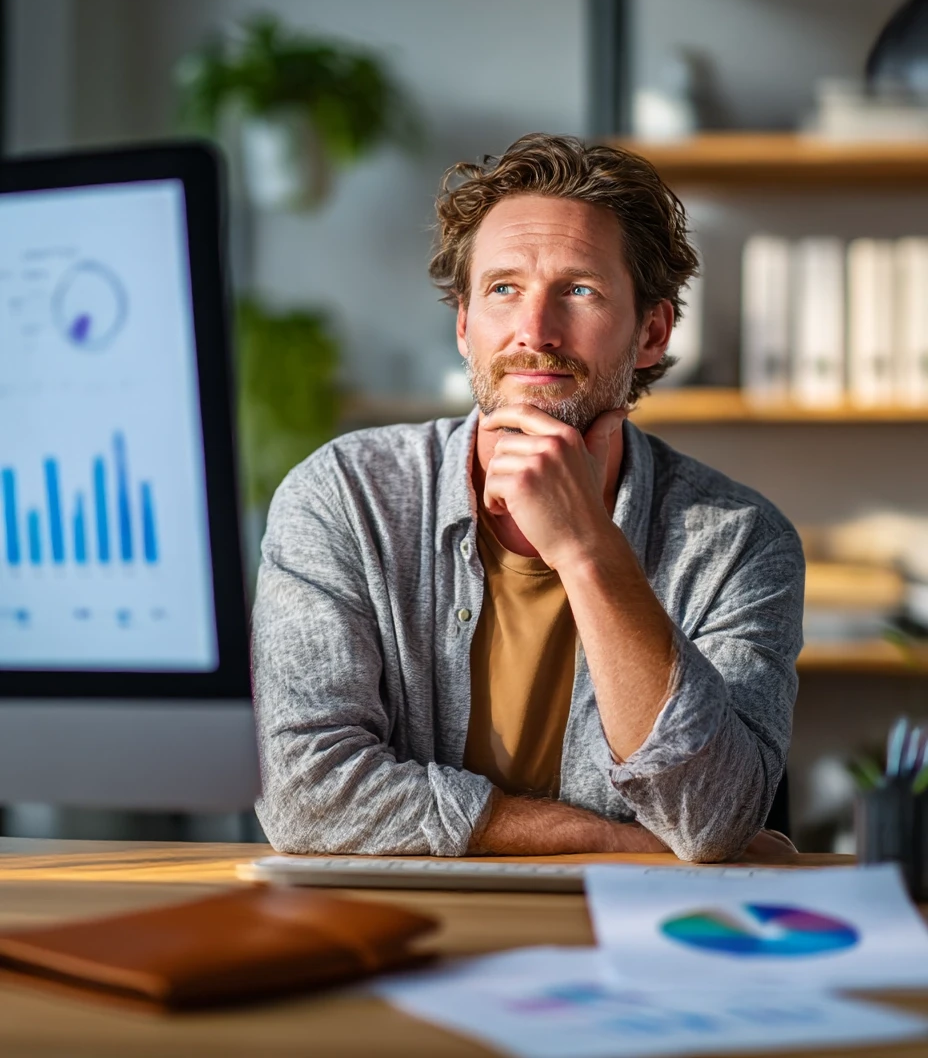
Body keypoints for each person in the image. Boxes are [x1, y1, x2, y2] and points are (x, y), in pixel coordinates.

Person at [251, 133, 804, 863]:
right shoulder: (345, 498)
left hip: (619, 946)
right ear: (463, 325)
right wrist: (621, 843)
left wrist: (587, 549)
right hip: (387, 932)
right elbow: (303, 793)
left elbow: (713, 815)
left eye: (579, 290)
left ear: (652, 332)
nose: (533, 332)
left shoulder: (737, 540)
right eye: (503, 289)